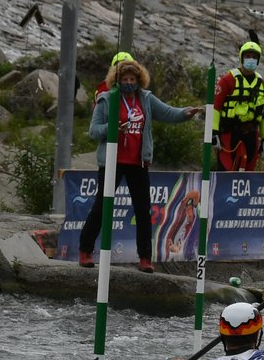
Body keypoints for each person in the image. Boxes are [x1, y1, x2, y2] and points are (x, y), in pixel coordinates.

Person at [79, 55, 202, 272]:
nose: (128, 83)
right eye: (124, 79)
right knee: (101, 207)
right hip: (112, 161)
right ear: (117, 80)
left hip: (138, 162)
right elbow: (93, 131)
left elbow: (168, 113)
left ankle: (145, 257)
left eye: (132, 79)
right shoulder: (107, 99)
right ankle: (85, 251)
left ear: (139, 80)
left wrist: (185, 113)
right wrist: (112, 129)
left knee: (143, 210)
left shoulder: (146, 99)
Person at [212, 40, 264, 171]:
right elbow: (216, 108)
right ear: (241, 57)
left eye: (255, 57)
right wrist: (214, 132)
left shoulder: (263, 85)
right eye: (248, 56)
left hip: (251, 136)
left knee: (247, 176)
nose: (251, 60)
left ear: (259, 60)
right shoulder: (228, 80)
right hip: (229, 134)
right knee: (225, 173)